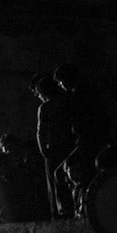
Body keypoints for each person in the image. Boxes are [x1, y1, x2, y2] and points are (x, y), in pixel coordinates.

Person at [33, 72, 75, 218]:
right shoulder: (67, 102)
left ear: (43, 92)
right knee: (69, 178)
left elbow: (41, 132)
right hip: (69, 145)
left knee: (54, 182)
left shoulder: (45, 108)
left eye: (38, 93)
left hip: (53, 149)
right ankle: (73, 208)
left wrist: (44, 150)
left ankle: (59, 212)